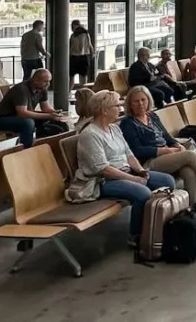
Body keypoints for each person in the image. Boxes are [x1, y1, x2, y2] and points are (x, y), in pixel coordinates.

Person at [72, 90, 176, 248]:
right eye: (117, 105)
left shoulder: (114, 128)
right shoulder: (90, 135)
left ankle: (155, 228)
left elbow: (129, 154)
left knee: (167, 181)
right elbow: (103, 169)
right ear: (104, 110)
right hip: (103, 181)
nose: (120, 109)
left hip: (126, 172)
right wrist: (134, 179)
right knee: (143, 193)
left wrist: (141, 171)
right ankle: (136, 235)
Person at [119, 86, 196, 202]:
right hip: (148, 162)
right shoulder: (128, 123)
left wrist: (177, 144)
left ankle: (193, 207)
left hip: (167, 156)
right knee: (189, 155)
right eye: (136, 101)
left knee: (189, 172)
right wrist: (164, 151)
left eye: (143, 100)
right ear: (130, 104)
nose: (140, 104)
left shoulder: (152, 116)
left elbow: (166, 136)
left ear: (148, 100)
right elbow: (136, 150)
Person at [0, 69, 67, 147]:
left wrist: (55, 113)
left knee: (48, 119)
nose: (48, 84)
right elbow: (22, 113)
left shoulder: (42, 89)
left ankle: (42, 144)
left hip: (18, 117)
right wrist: (49, 115)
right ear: (35, 80)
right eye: (45, 81)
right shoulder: (21, 89)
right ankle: (26, 149)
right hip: (2, 119)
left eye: (49, 81)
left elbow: (45, 108)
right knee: (28, 123)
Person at [68, 20, 94, 87]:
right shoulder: (86, 34)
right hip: (84, 57)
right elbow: (90, 45)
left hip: (74, 57)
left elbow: (69, 46)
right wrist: (92, 54)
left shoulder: (73, 36)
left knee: (71, 77)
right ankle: (83, 92)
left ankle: (68, 93)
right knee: (83, 77)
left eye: (72, 26)